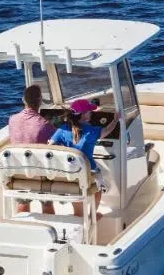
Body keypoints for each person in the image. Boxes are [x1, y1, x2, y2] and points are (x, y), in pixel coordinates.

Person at [48, 98, 114, 217]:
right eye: (89, 111)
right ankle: (92, 214)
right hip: (88, 172)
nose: (91, 113)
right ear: (84, 115)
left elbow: (50, 145)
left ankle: (78, 214)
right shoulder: (92, 131)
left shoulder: (63, 129)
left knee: (76, 186)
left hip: (70, 172)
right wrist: (116, 119)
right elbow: (107, 130)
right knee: (99, 187)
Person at [8, 85, 55, 214]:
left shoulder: (12, 120)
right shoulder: (45, 124)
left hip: (19, 172)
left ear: (23, 100)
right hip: (40, 175)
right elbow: (57, 144)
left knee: (22, 202)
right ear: (41, 101)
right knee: (47, 205)